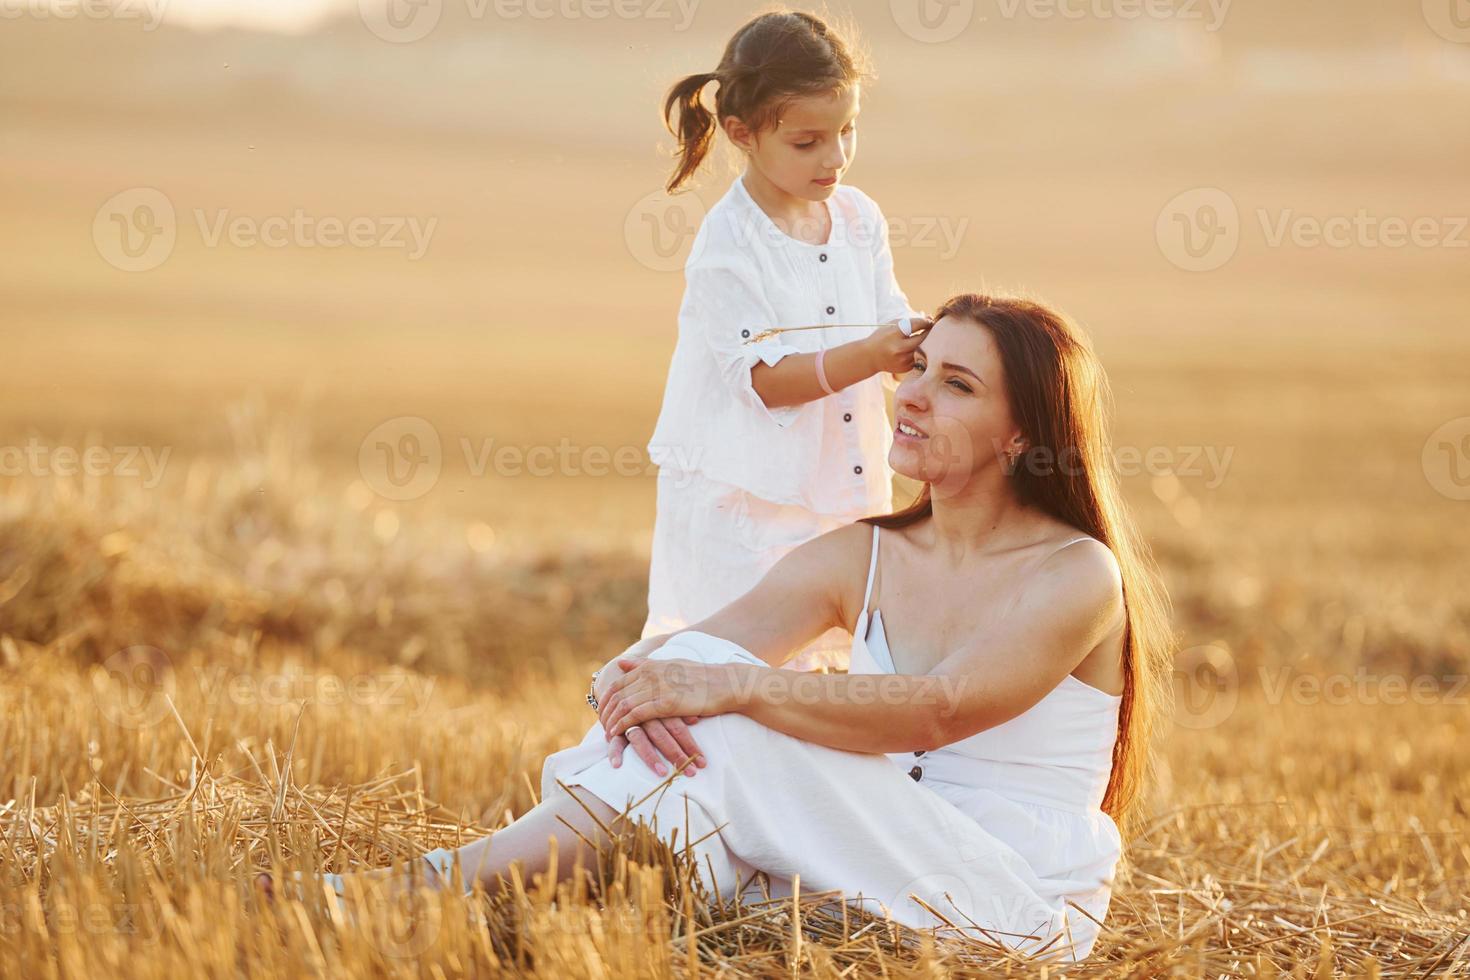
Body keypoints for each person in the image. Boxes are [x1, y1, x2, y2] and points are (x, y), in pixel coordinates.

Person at [258, 294, 1173, 964]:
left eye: (958, 384)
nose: (915, 397)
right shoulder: (866, 553)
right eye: (919, 370)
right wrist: (629, 688)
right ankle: (452, 901)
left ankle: (415, 893)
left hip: (1006, 902)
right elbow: (686, 652)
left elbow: (938, 710)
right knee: (699, 673)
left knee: (727, 710)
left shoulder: (1075, 574)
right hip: (879, 853)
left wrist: (727, 689)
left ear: (1023, 436)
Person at [643, 8, 932, 673]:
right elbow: (764, 381)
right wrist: (869, 355)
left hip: (839, 483)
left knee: (829, 663)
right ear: (743, 133)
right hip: (749, 498)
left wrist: (928, 343)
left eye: (847, 131)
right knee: (739, 663)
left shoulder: (859, 219)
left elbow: (888, 313)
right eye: (807, 142)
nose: (834, 157)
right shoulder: (729, 244)